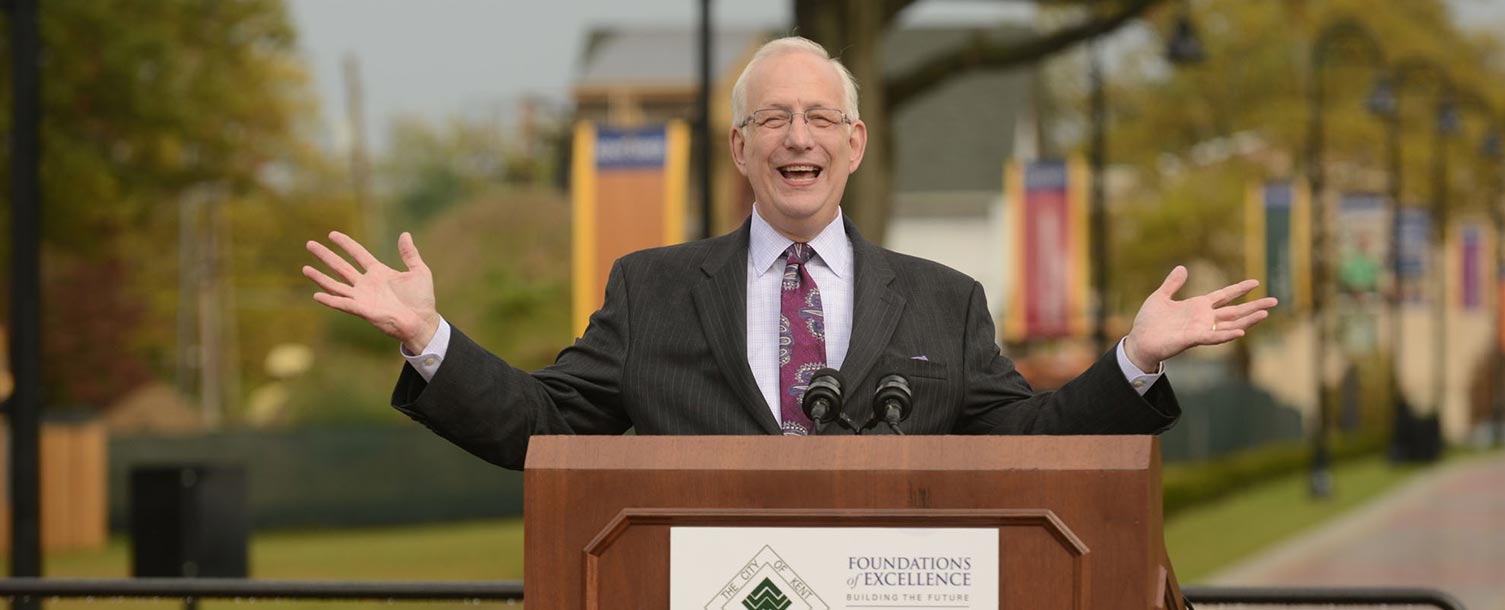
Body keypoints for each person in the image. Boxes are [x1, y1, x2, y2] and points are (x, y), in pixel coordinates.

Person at [302, 37, 1276, 471]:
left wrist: (1133, 359)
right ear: (741, 149)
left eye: (820, 117)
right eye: (773, 117)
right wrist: (429, 335)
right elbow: (544, 428)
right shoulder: (651, 290)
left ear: (854, 145)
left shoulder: (945, 298)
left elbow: (1027, 441)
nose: (796, 136)